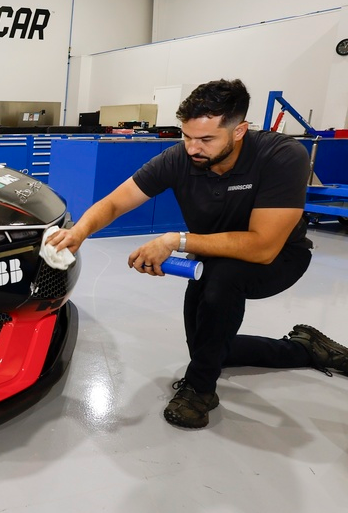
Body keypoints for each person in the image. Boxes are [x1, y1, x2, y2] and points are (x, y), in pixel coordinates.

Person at [47, 79, 348, 429]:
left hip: (280, 257)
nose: (192, 149)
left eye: (206, 139)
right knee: (208, 346)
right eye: (187, 137)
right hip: (212, 256)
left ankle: (200, 390)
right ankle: (305, 348)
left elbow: (263, 246)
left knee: (223, 284)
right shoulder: (179, 158)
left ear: (239, 131)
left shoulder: (280, 156)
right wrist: (79, 232)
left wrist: (177, 241)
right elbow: (116, 201)